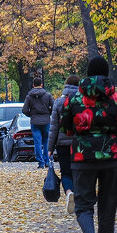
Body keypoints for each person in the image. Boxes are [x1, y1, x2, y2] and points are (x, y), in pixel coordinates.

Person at [59, 56, 117, 233]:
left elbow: (66, 129)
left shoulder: (73, 99)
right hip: (110, 157)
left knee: (83, 205)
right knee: (108, 207)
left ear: (87, 73)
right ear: (107, 73)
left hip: (82, 156)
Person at [47, 74, 79, 215]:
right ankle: (78, 196)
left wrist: (50, 148)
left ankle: (69, 192)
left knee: (66, 172)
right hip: (79, 143)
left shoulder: (59, 102)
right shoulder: (81, 101)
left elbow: (53, 127)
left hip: (62, 143)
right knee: (78, 171)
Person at [22, 77, 54, 168]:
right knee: (46, 141)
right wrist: (48, 113)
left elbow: (24, 109)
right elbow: (54, 107)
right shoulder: (47, 95)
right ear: (41, 85)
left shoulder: (29, 96)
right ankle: (47, 161)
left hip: (35, 122)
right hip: (46, 121)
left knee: (37, 142)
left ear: (33, 85)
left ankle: (40, 163)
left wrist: (31, 115)